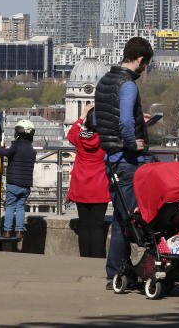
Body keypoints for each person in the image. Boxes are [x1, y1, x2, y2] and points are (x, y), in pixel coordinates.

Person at [95, 36, 154, 289]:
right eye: (146, 65)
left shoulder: (104, 80)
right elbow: (125, 124)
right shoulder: (128, 85)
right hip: (128, 160)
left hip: (111, 159)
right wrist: (132, 142)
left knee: (121, 218)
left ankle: (118, 272)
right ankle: (124, 271)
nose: (145, 70)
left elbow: (101, 120)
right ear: (140, 59)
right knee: (135, 219)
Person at [66, 103, 110, 258]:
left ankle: (84, 256)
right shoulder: (106, 141)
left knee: (84, 224)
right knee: (97, 225)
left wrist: (82, 114)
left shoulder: (80, 138)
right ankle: (98, 257)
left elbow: (71, 133)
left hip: (81, 186)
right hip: (100, 186)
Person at [0, 119, 37, 240]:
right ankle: (20, 231)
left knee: (10, 206)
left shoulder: (16, 146)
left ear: (18, 133)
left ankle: (7, 231)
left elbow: (5, 152)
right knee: (21, 207)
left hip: (13, 183)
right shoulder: (32, 150)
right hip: (26, 185)